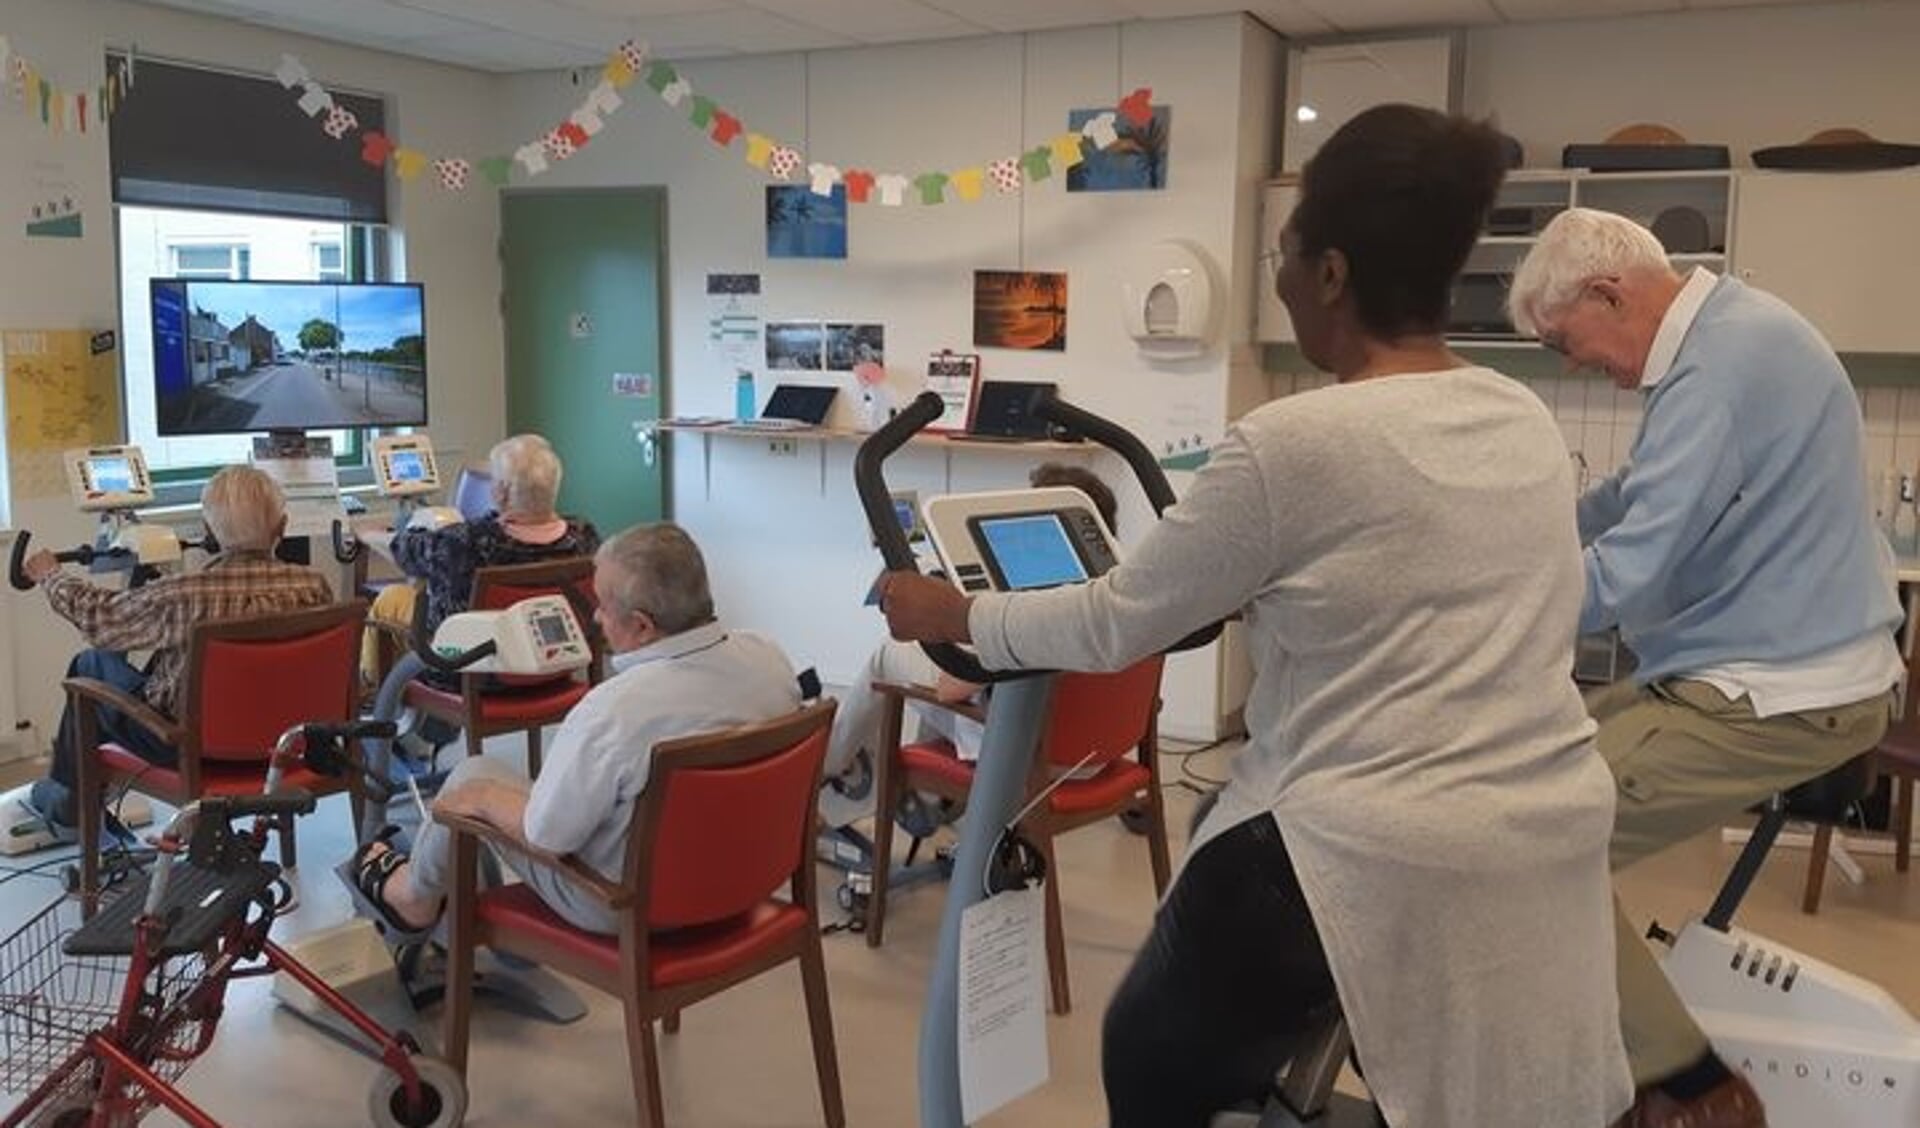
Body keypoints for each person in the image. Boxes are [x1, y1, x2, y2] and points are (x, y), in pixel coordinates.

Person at [876, 104, 1632, 1128]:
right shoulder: (1522, 418)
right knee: (1216, 840)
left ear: (1327, 274)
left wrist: (951, 605)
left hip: (1372, 845)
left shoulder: (1290, 443)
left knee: (1144, 1050)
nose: (1277, 284)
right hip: (1540, 825)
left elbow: (1111, 622)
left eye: (1282, 258)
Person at [1508, 208, 1901, 1128]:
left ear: (1609, 292)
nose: (1573, 364)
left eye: (1567, 341)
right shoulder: (1728, 335)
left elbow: (1628, 567)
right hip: (1744, 671)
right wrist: (1517, 536)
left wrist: (1482, 614)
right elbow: (1626, 497)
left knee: (1527, 848)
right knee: (1512, 772)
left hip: (1774, 695)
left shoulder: (1716, 371)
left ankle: (1695, 1092)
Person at [350, 523, 801, 936]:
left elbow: (550, 836)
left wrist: (482, 798)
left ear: (642, 625)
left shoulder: (616, 710)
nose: (597, 620)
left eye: (603, 607)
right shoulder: (770, 660)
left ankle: (411, 895)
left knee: (472, 778)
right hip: (744, 882)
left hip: (624, 903)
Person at [22, 466, 333, 835]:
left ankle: (70, 801)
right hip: (287, 741)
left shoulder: (183, 593)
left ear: (208, 530)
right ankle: (78, 794)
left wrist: (51, 575)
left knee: (90, 663)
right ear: (282, 528)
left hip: (190, 747)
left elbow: (100, 618)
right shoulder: (314, 587)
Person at [823, 462, 1120, 789]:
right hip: (1100, 754)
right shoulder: (1119, 600)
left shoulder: (1035, 613)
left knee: (893, 653)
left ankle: (830, 763)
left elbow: (949, 690)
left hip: (1031, 759)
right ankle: (931, 798)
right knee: (940, 660)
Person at [361, 433, 599, 688]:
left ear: (502, 492)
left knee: (391, 598)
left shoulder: (466, 543)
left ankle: (371, 694)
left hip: (469, 671)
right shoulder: (585, 538)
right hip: (552, 669)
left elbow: (403, 550)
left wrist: (365, 534)